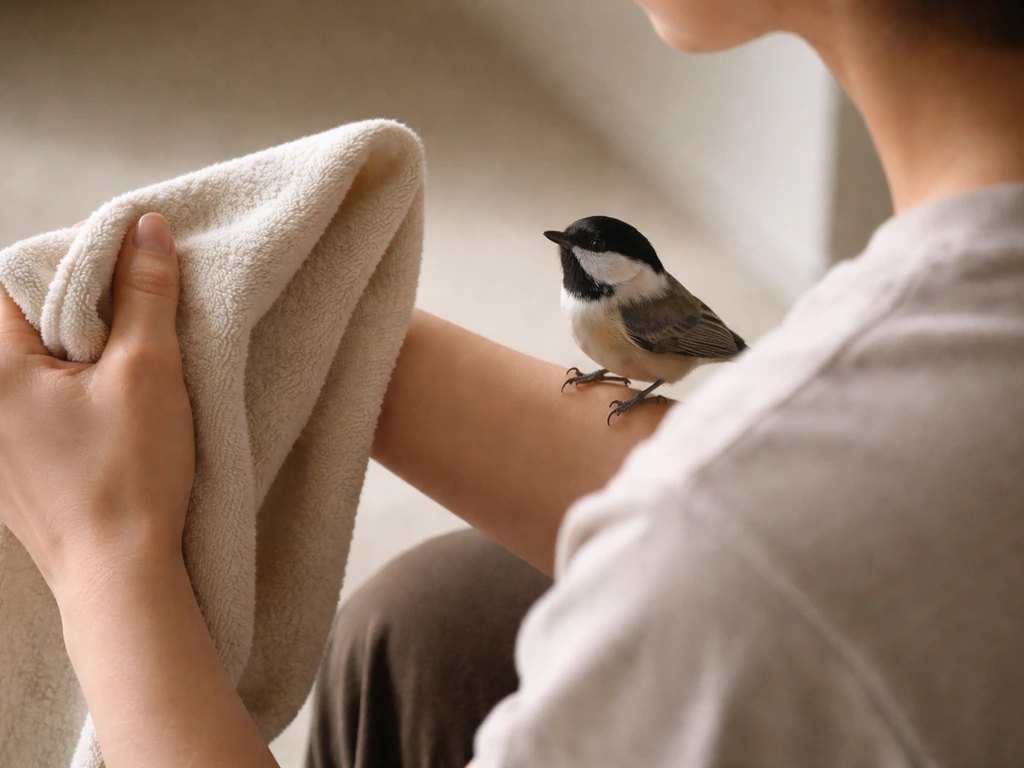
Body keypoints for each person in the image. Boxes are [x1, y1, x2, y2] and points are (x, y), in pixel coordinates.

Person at [1, 0, 1022, 765]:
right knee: (441, 625)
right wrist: (282, 323)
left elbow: (761, 553)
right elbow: (815, 505)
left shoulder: (726, 594)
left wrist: (107, 550)